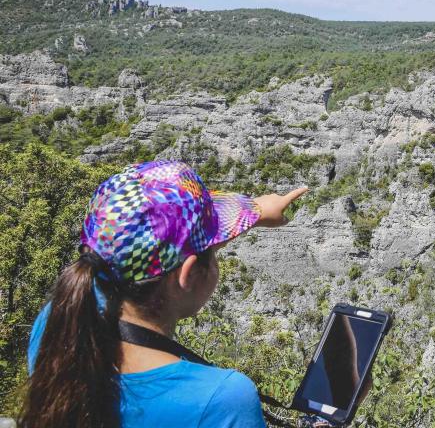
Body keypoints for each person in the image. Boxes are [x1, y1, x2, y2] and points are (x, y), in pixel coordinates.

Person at [20, 159, 308, 428]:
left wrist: (253, 213)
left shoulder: (59, 327)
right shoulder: (220, 399)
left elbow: (127, 254)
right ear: (190, 274)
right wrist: (249, 211)